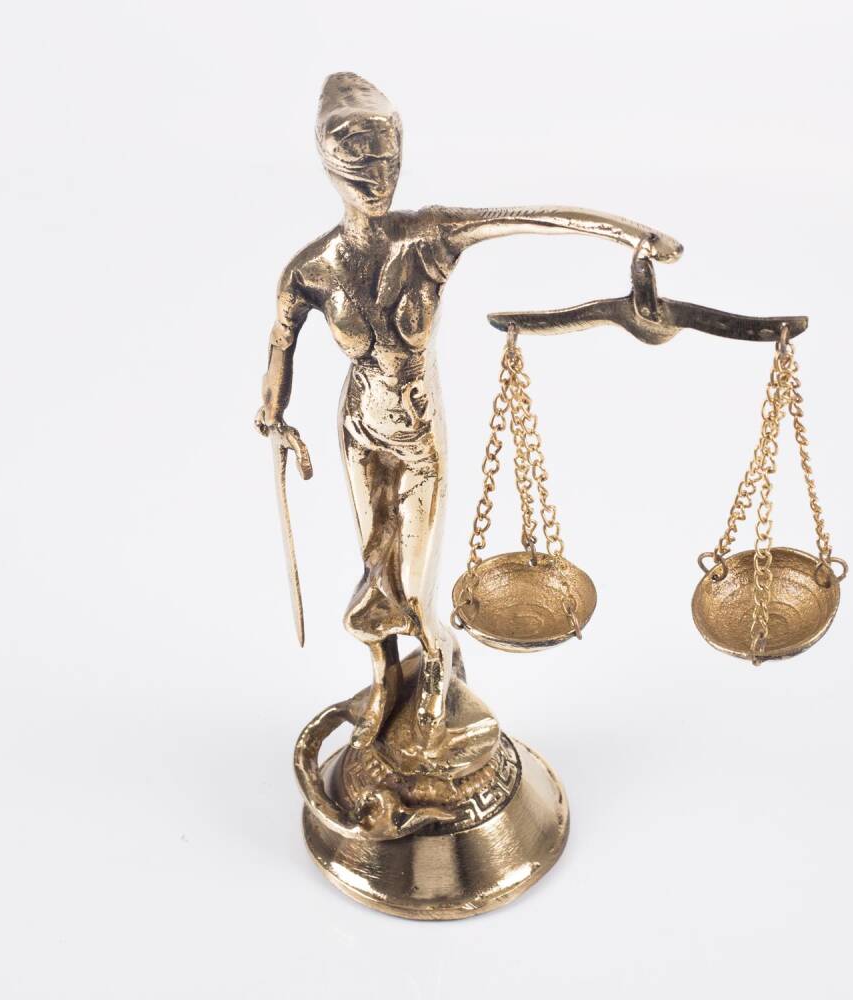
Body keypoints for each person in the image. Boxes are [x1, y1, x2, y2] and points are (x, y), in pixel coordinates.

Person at [255, 72, 681, 750]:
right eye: (362, 168)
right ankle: (385, 676)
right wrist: (273, 410)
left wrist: (632, 235)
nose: (379, 179)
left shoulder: (430, 237)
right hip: (361, 430)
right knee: (374, 567)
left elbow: (528, 218)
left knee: (415, 585)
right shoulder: (312, 269)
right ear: (331, 168)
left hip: (420, 436)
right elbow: (281, 341)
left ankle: (438, 669)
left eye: (389, 162)